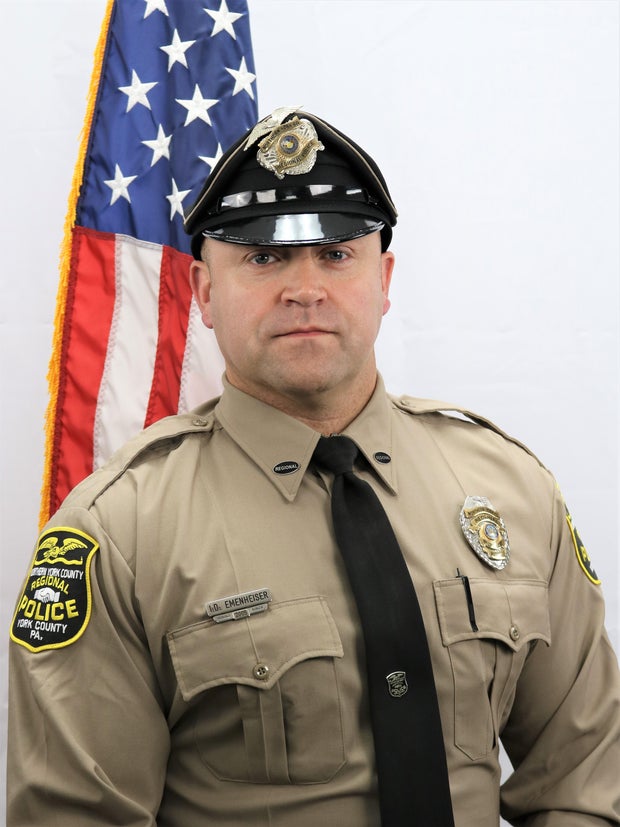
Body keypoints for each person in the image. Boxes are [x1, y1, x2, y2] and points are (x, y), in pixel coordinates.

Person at [7, 106, 620, 827]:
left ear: (383, 279)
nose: (306, 287)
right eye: (263, 257)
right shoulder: (118, 530)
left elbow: (585, 779)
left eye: (336, 254)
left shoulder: (510, 489)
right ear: (203, 291)